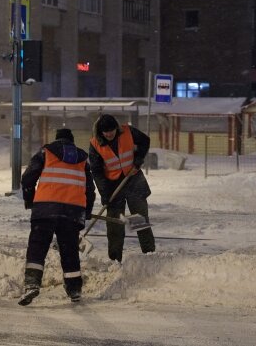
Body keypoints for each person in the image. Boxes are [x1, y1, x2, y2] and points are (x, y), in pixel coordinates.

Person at [18, 128, 96, 305]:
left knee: (38, 247)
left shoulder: (46, 153)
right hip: (72, 212)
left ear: (57, 140)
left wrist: (30, 200)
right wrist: (86, 211)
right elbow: (90, 190)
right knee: (69, 251)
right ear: (72, 141)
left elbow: (28, 178)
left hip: (45, 209)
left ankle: (32, 284)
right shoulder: (82, 159)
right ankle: (74, 289)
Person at [89, 114, 155, 262]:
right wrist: (105, 193)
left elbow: (145, 141)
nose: (109, 134)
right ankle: (115, 260)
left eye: (112, 130)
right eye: (106, 132)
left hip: (134, 181)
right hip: (113, 187)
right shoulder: (95, 144)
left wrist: (138, 161)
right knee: (114, 226)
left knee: (139, 221)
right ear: (101, 132)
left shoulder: (127, 132)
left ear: (116, 128)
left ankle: (150, 255)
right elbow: (97, 171)